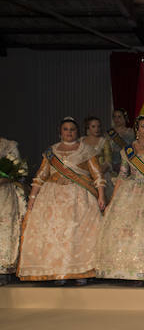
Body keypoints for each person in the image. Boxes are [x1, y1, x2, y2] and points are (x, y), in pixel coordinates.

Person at [18, 117, 106, 283]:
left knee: (77, 233)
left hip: (79, 196)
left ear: (77, 132)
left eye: (72, 129)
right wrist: (32, 198)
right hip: (53, 197)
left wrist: (101, 195)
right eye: (65, 129)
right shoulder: (51, 151)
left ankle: (81, 271)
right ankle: (58, 271)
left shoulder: (87, 150)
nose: (69, 132)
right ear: (60, 132)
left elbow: (97, 175)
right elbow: (41, 176)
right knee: (55, 234)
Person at [95, 115, 144, 282]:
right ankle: (131, 270)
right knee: (130, 231)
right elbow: (123, 176)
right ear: (137, 130)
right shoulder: (128, 151)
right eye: (143, 127)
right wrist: (113, 201)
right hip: (130, 193)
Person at [0, 136, 25, 283]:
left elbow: (19, 171)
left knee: (6, 228)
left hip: (5, 192)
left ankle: (4, 269)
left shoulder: (8, 145)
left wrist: (6, 178)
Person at [81, 116, 114, 202]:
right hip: (84, 176)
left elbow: (108, 162)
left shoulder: (104, 141)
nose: (97, 129)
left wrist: (97, 174)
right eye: (93, 126)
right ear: (88, 128)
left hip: (101, 175)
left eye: (99, 126)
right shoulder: (81, 141)